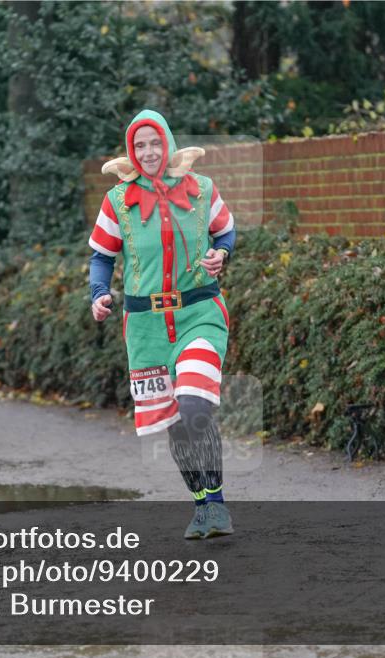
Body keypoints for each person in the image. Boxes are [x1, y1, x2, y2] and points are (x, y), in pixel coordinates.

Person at [88, 110, 236, 539]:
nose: (149, 152)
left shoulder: (201, 188)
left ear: (167, 143)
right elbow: (101, 255)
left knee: (193, 406)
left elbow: (226, 232)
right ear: (132, 151)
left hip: (199, 314)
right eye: (140, 145)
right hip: (145, 328)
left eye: (155, 142)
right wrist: (98, 294)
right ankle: (200, 504)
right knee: (173, 422)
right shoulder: (117, 200)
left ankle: (218, 503)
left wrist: (221, 254)